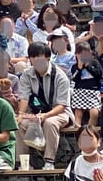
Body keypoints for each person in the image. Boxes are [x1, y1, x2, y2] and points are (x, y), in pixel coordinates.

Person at [17, 42, 73, 170]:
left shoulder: (60, 76)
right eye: (33, 56)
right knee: (19, 124)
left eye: (39, 56)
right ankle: (23, 163)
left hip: (59, 113)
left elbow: (62, 105)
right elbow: (24, 97)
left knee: (50, 123)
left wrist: (44, 115)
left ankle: (49, 161)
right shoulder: (26, 74)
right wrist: (21, 115)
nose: (36, 59)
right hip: (36, 113)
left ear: (48, 57)